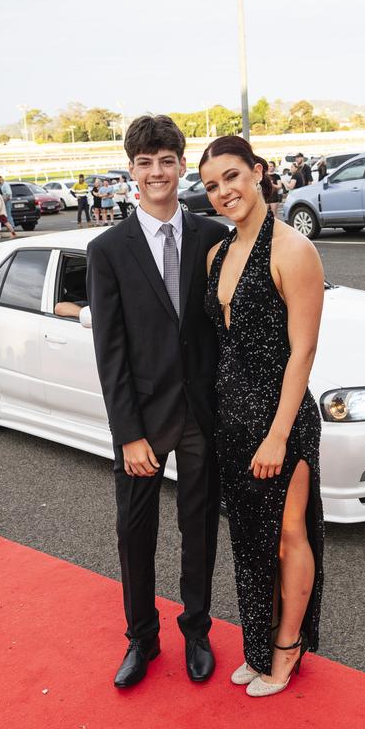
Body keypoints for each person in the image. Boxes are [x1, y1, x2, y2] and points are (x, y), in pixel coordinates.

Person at [86, 114, 228, 688]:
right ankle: (141, 640)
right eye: (145, 163)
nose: (156, 172)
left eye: (166, 161)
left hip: (200, 415)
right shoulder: (107, 249)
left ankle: (196, 630)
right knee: (135, 533)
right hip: (142, 421)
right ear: (131, 171)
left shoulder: (213, 239)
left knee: (198, 530)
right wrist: (129, 434)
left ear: (179, 165)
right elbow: (110, 351)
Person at [200, 135, 325, 697]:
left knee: (287, 535)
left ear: (257, 172)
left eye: (231, 176)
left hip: (284, 421)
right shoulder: (217, 255)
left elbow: (303, 351)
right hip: (233, 421)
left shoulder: (293, 250)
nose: (224, 191)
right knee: (249, 540)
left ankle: (287, 645)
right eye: (210, 185)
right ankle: (256, 642)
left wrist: (277, 435)